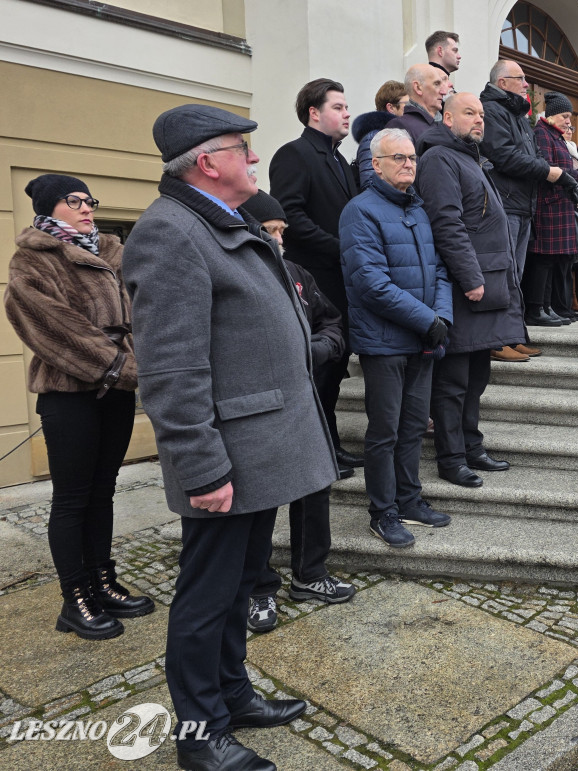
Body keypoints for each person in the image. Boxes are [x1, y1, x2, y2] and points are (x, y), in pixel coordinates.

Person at [124, 104, 338, 771]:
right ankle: (200, 734)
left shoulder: (222, 221)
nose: (254, 159)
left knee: (240, 584)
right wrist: (200, 466)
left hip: (260, 450)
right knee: (205, 598)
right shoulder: (170, 233)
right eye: (243, 149)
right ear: (208, 162)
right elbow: (172, 369)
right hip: (226, 458)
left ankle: (234, 695)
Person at [4, 175, 154, 642]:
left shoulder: (112, 252)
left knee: (103, 491)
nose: (88, 208)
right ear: (50, 207)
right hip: (68, 393)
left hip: (118, 389)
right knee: (72, 498)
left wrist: (136, 361)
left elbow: (143, 310)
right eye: (75, 201)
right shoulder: (32, 260)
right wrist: (120, 366)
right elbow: (54, 327)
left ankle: (102, 582)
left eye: (90, 201)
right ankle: (76, 599)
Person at [240, 190, 354, 633]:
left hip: (306, 400)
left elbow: (331, 320)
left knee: (314, 487)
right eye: (269, 231)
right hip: (260, 406)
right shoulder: (237, 275)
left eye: (281, 231)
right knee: (262, 498)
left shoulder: (298, 273)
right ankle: (259, 587)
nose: (279, 239)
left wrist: (320, 349)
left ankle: (310, 573)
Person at [340, 127, 454, 548]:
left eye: (412, 158)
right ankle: (382, 512)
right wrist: (427, 320)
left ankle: (409, 500)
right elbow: (370, 282)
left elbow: (439, 269)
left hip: (422, 338)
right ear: (376, 165)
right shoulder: (360, 211)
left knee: (412, 428)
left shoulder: (417, 208)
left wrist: (442, 317)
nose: (409, 164)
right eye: (399, 158)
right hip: (384, 340)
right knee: (385, 432)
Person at [417, 93, 528, 488]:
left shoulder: (469, 156)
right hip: (465, 288)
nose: (479, 119)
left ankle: (472, 446)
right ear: (447, 119)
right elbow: (446, 223)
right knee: (453, 382)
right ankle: (451, 458)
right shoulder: (438, 158)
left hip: (488, 284)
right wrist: (470, 277)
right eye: (469, 113)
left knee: (477, 376)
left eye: (481, 114)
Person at [269, 78, 363, 473]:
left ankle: (330, 445)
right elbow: (290, 216)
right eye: (338, 107)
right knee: (321, 370)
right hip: (316, 281)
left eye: (346, 107)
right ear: (314, 113)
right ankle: (318, 452)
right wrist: (343, 248)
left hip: (342, 280)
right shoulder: (294, 154)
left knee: (335, 370)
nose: (347, 114)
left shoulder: (339, 159)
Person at [480, 60, 572, 357]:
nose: (526, 84)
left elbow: (531, 153)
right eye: (520, 78)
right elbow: (505, 156)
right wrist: (548, 171)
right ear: (502, 82)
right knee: (501, 275)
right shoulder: (492, 110)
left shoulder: (518, 113)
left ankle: (512, 335)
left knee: (514, 276)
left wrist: (553, 172)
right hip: (504, 203)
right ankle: (495, 341)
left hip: (522, 204)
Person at [524, 91, 578, 326]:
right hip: (548, 205)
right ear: (552, 115)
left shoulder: (554, 135)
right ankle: (536, 308)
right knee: (543, 260)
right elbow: (546, 167)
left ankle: (548, 306)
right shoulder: (542, 133)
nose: (568, 121)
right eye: (564, 116)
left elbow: (561, 167)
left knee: (553, 261)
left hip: (560, 204)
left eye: (570, 117)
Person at [352, 80, 410, 191]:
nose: (411, 109)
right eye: (407, 105)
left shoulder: (398, 135)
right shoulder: (373, 138)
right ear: (391, 108)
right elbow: (370, 182)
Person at [386, 64, 448, 146]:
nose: (444, 92)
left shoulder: (446, 125)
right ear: (418, 87)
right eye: (436, 84)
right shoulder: (399, 126)